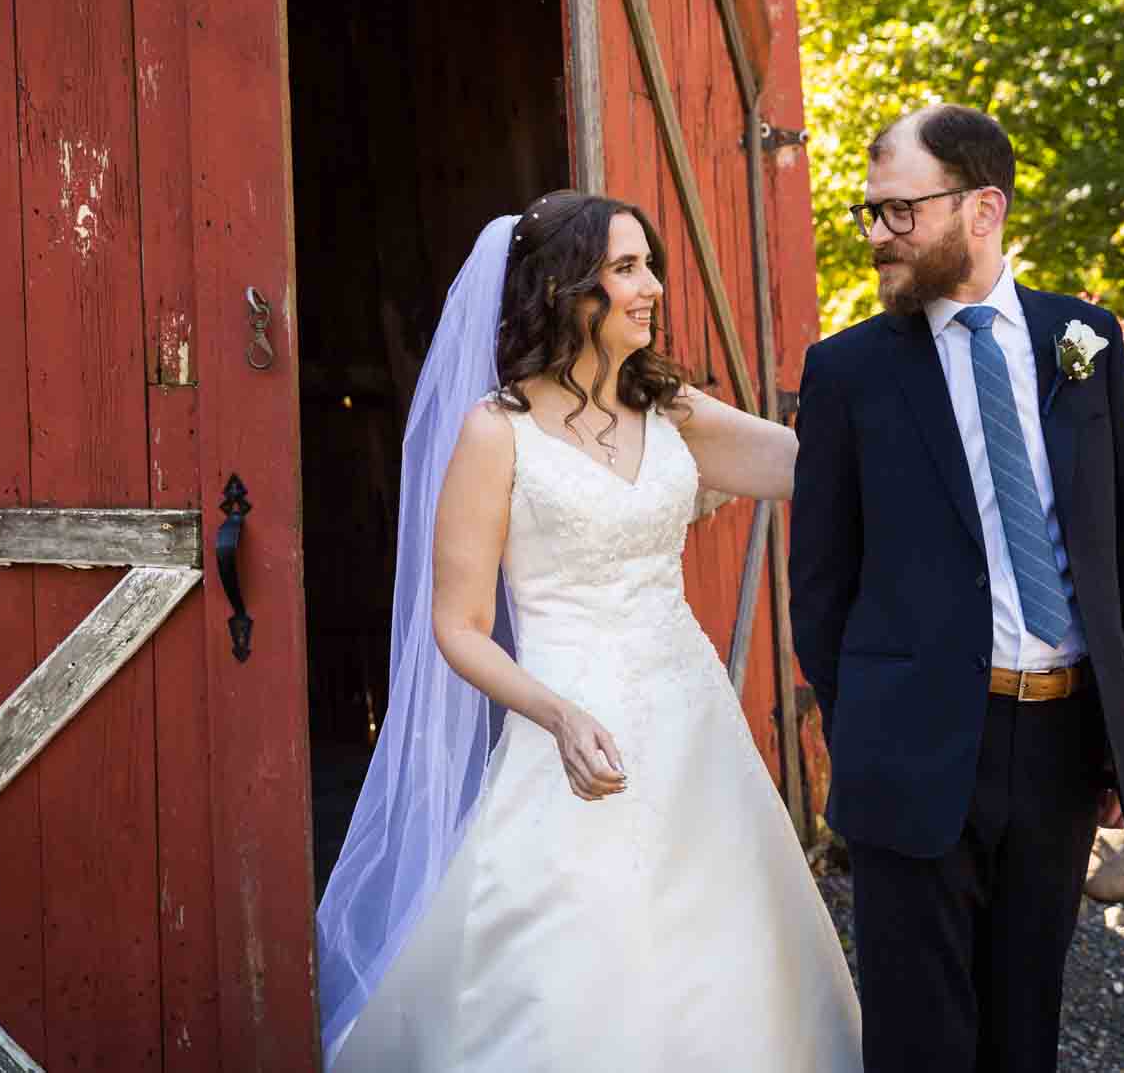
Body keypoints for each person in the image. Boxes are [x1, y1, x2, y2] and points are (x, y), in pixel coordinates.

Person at [317, 192, 860, 1071]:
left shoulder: (670, 407)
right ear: (567, 290)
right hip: (569, 725)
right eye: (625, 268)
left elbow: (806, 464)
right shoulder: (497, 432)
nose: (651, 287)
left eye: (649, 265)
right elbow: (458, 627)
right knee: (573, 955)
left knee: (727, 952)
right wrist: (558, 715)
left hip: (693, 725)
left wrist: (904, 402)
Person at [790, 105, 1124, 1073]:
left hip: (1057, 741)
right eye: (868, 212)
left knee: (1023, 1018)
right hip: (911, 740)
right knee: (919, 1032)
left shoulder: (1085, 339)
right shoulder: (848, 370)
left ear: (982, 207)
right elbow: (819, 582)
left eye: (898, 212)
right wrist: (870, 721)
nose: (877, 234)